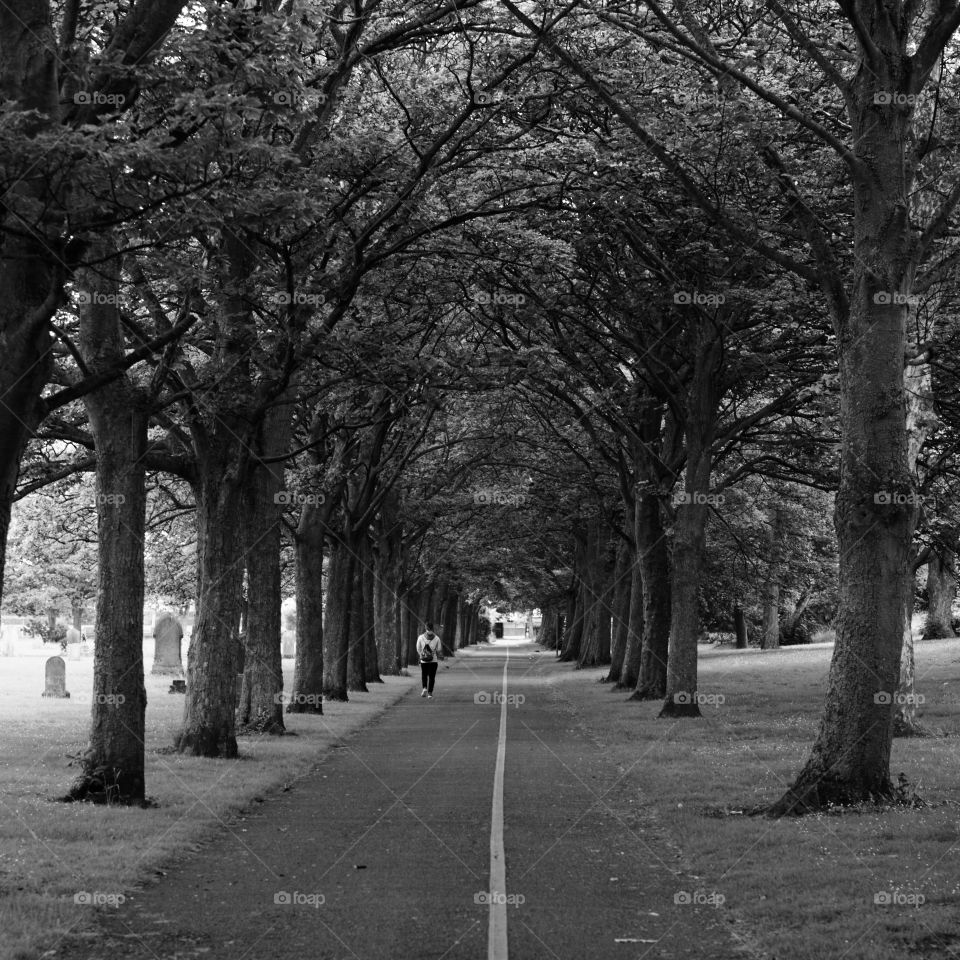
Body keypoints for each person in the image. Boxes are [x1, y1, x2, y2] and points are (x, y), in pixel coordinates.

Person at [417, 621, 442, 699]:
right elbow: (439, 649)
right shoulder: (437, 638)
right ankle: (430, 693)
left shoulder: (421, 637)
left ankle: (424, 688)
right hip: (433, 660)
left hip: (424, 660)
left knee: (424, 675)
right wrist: (434, 651)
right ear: (433, 628)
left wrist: (421, 654)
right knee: (432, 677)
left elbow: (418, 648)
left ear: (425, 628)